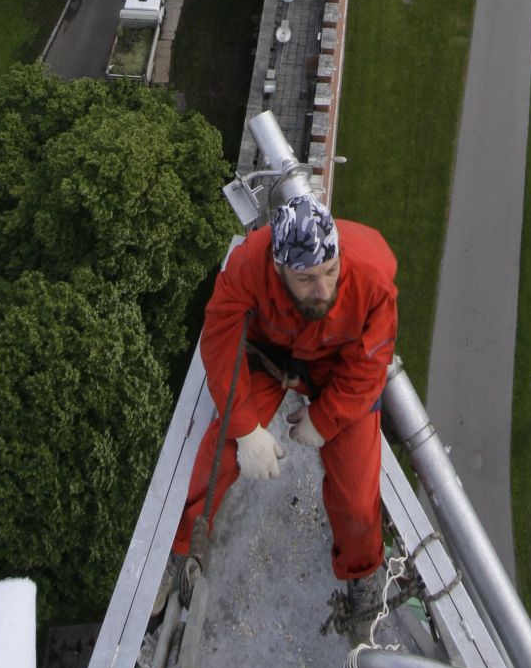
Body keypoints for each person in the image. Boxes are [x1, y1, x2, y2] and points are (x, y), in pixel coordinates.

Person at [164, 193, 398, 621]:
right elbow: (219, 339)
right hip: (271, 358)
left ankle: (362, 572)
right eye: (306, 279)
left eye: (331, 271)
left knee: (357, 486)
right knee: (220, 452)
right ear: (278, 268)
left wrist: (325, 419)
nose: (323, 289)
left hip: (338, 369)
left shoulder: (373, 275)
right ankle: (181, 546)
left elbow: (371, 362)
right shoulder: (249, 265)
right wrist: (245, 428)